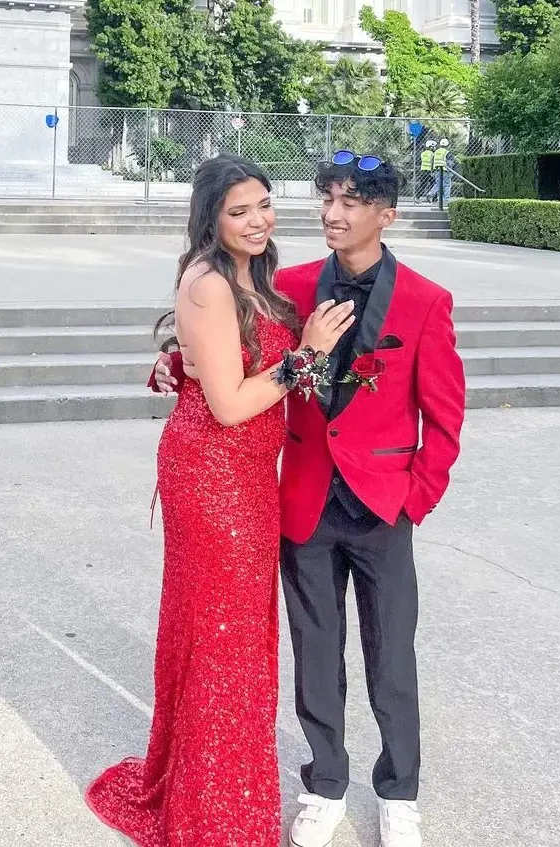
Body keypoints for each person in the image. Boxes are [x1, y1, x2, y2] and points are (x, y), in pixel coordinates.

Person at [154, 152, 466, 847]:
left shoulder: (424, 301)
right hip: (301, 498)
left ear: (386, 214)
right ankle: (325, 782)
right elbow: (232, 343)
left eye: (352, 201)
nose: (333, 212)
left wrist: (416, 496)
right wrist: (178, 362)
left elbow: (444, 418)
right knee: (315, 649)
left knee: (392, 655)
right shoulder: (288, 286)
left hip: (384, 503)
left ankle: (398, 790)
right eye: (328, 197)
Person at [86, 154, 355, 847]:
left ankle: (218, 779)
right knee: (221, 636)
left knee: (232, 632)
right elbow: (232, 405)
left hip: (249, 477)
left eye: (263, 204)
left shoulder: (255, 278)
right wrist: (308, 354)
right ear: (211, 219)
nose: (258, 219)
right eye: (239, 211)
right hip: (210, 472)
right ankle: (213, 810)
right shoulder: (207, 283)